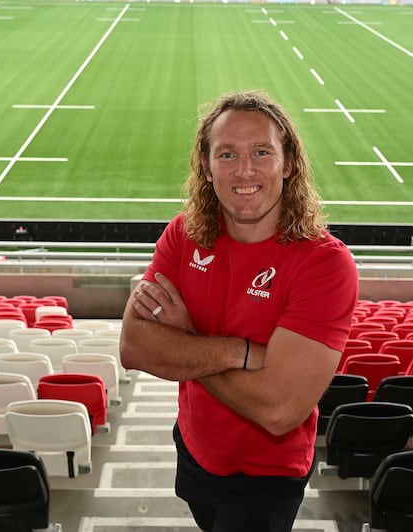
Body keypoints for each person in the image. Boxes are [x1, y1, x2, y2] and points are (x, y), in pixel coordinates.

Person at [119, 90, 358, 532]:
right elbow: (135, 346)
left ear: (288, 163)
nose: (244, 170)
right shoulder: (183, 233)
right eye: (226, 154)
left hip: (267, 477)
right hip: (193, 446)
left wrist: (186, 341)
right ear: (206, 167)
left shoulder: (324, 263)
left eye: (261, 152)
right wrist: (243, 354)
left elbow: (279, 409)